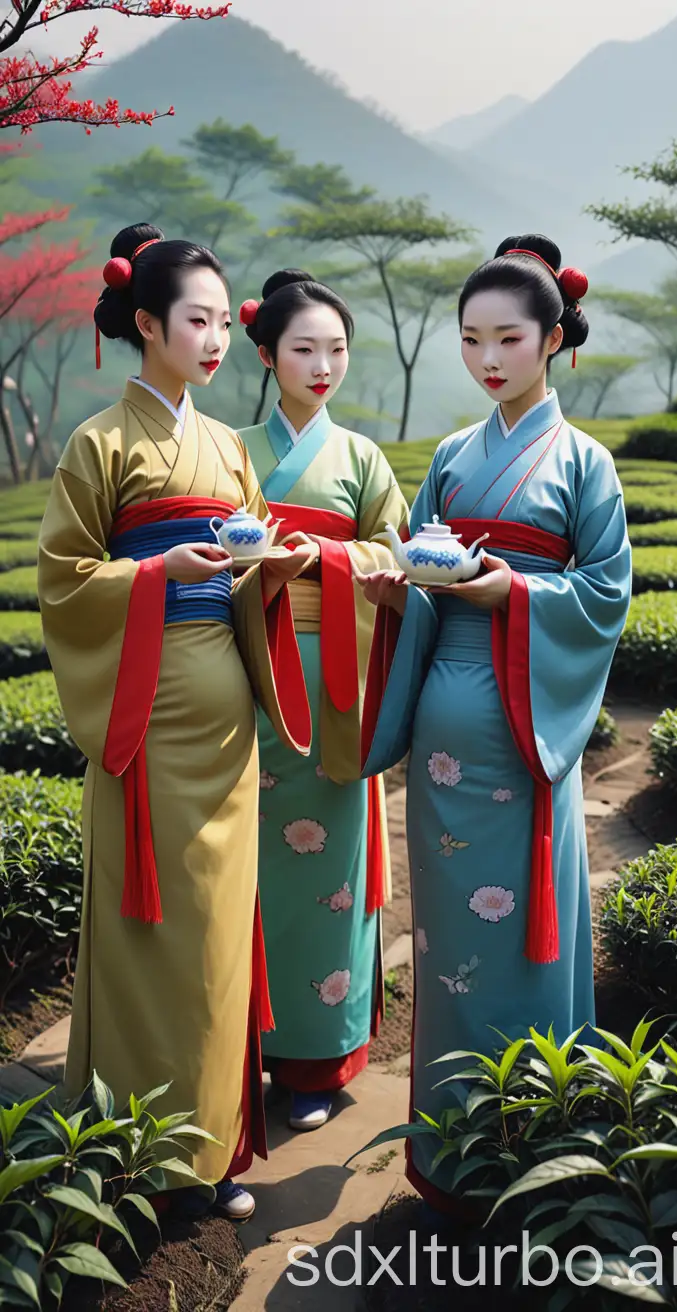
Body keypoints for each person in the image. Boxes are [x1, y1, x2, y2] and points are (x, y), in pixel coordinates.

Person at [37, 224, 315, 1221]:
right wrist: (159, 570)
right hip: (143, 718)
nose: (213, 338)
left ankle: (211, 1146)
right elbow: (65, 583)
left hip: (225, 721)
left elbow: (245, 570)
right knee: (151, 929)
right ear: (146, 324)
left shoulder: (226, 448)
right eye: (194, 319)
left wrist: (265, 573)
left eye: (219, 321)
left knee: (214, 935)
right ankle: (136, 1149)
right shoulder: (98, 443)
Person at [356, 235, 632, 1214]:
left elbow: (603, 595)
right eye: (470, 339)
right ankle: (452, 1149)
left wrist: (506, 583)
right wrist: (404, 586)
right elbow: (425, 571)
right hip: (444, 729)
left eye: (508, 337)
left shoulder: (585, 463)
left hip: (527, 729)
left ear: (552, 339)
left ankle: (531, 1144)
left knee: (523, 931)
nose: (487, 358)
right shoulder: (449, 456)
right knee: (444, 944)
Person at [237, 270, 409, 1132]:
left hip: (336, 678)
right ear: (265, 354)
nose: (322, 364)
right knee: (247, 873)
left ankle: (316, 1061)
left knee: (331, 871)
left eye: (337, 349)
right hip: (249, 676)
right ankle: (240, 1053)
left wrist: (325, 561)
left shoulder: (363, 458)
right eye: (303, 348)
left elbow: (393, 551)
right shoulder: (230, 448)